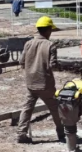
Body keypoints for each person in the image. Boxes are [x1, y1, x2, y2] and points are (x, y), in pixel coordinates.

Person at [17, 16, 64, 144]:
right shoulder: (50, 45)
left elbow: (21, 62)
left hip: (31, 83)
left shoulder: (28, 44)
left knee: (27, 108)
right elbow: (52, 65)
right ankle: (61, 133)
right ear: (48, 30)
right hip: (45, 84)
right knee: (55, 108)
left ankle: (21, 133)